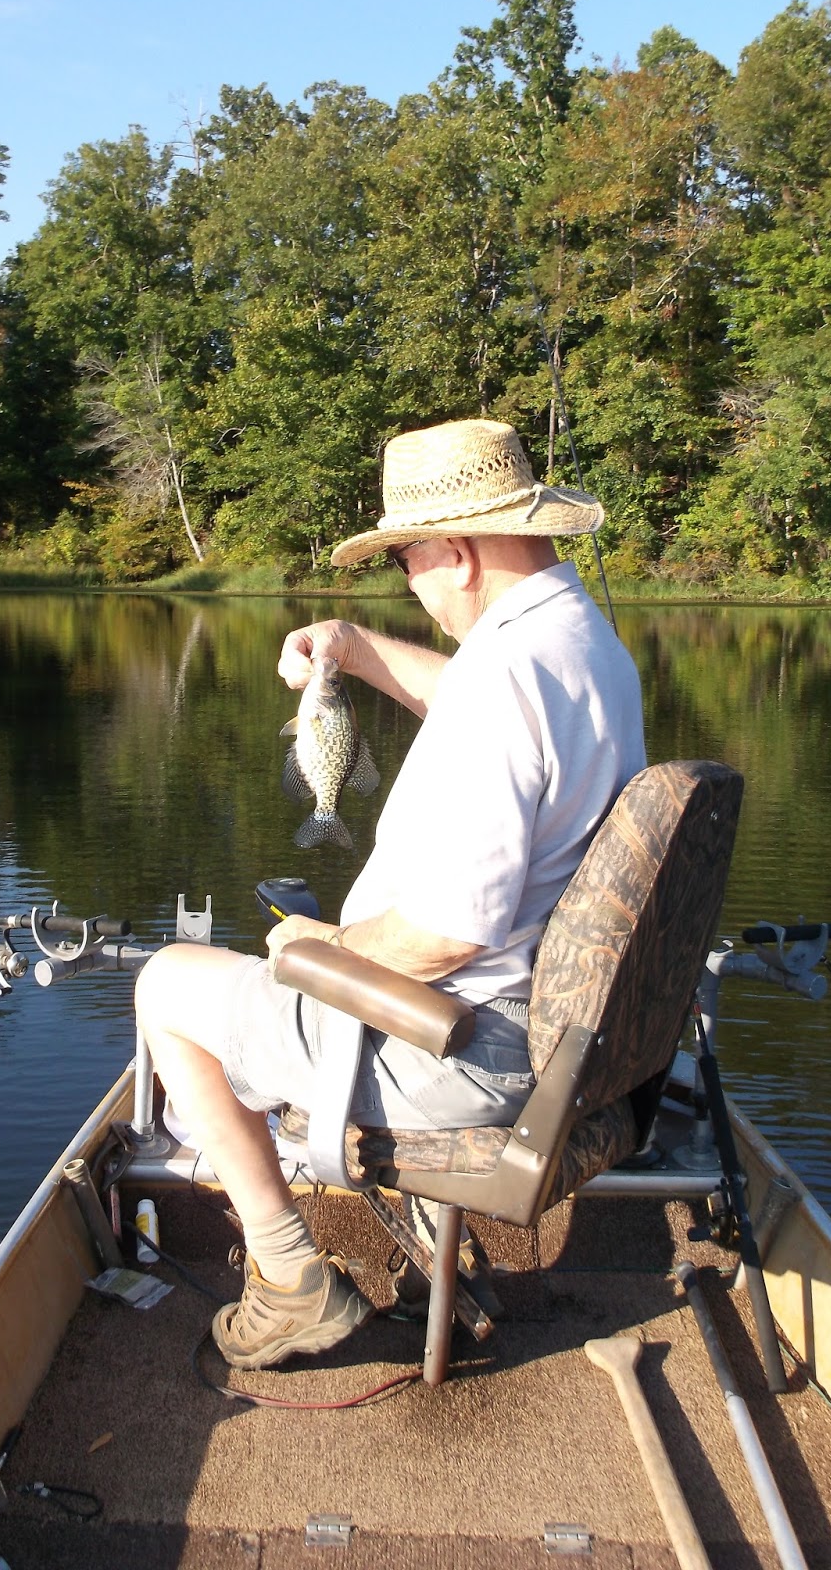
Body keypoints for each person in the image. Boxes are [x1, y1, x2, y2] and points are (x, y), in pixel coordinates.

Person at [134, 417, 647, 1370]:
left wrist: (318, 949)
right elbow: (481, 703)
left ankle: (289, 1280)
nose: (405, 578)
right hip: (557, 1033)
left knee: (167, 985)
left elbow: (450, 932)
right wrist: (355, 648)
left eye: (405, 558)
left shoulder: (508, 680)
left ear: (452, 552)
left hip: (468, 1047)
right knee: (256, 969)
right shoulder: (579, 644)